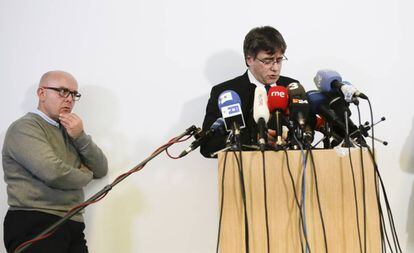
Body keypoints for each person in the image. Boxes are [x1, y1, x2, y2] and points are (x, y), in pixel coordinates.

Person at [2, 70, 108, 252]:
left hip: (72, 222)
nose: (69, 99)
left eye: (74, 94)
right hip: (35, 221)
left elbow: (101, 168)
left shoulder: (71, 130)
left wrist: (80, 136)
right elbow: (54, 172)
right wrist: (86, 175)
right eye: (62, 91)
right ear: (41, 93)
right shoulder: (24, 128)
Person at [200, 26, 299, 157]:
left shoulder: (292, 87)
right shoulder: (225, 92)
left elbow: (307, 132)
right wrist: (254, 139)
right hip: (247, 172)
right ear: (249, 59)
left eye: (279, 60)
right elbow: (208, 146)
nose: (275, 68)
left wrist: (290, 137)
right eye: (268, 61)